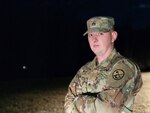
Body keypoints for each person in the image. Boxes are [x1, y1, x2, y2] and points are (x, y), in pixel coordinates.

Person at [64, 16, 143, 113]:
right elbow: (68, 100)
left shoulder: (125, 67)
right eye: (91, 35)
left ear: (113, 36)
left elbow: (107, 108)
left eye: (100, 33)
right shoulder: (84, 69)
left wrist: (77, 101)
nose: (94, 39)